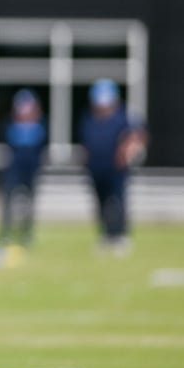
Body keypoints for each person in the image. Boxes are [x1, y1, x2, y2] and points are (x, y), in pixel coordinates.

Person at [79, 78, 147, 256]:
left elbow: (138, 135)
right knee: (100, 203)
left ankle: (120, 236)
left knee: (117, 201)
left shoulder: (123, 117)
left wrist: (127, 151)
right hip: (95, 168)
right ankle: (106, 236)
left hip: (116, 169)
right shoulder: (89, 118)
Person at [0, 89, 47, 250]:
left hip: (31, 170)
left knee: (28, 204)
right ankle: (5, 234)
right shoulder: (9, 125)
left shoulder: (41, 126)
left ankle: (26, 234)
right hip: (14, 170)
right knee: (9, 203)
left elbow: (42, 146)